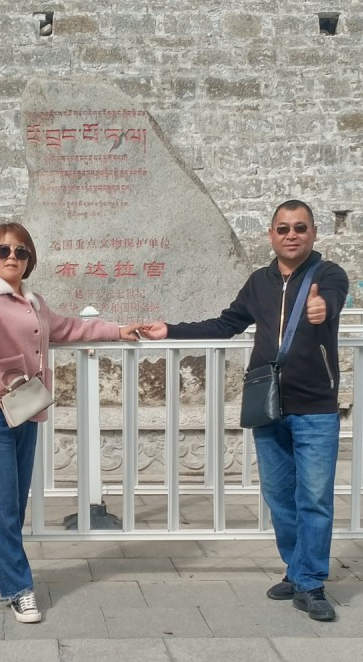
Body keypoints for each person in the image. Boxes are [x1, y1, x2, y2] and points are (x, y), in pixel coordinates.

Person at [140, 200, 349, 622]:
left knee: (314, 498)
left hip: (315, 407)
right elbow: (226, 323)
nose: (292, 235)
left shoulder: (328, 275)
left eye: (300, 227)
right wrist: (171, 330)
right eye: (283, 228)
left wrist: (323, 308)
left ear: (313, 233)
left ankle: (311, 582)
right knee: (279, 496)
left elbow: (332, 300)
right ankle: (296, 569)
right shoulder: (259, 282)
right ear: (271, 235)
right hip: (267, 404)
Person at [0, 222, 142, 623]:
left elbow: (69, 328)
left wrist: (116, 330)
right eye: (4, 251)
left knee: (10, 501)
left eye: (21, 252)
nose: (12, 258)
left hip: (25, 407)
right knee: (1, 503)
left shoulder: (34, 302)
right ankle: (19, 589)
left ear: (30, 259)